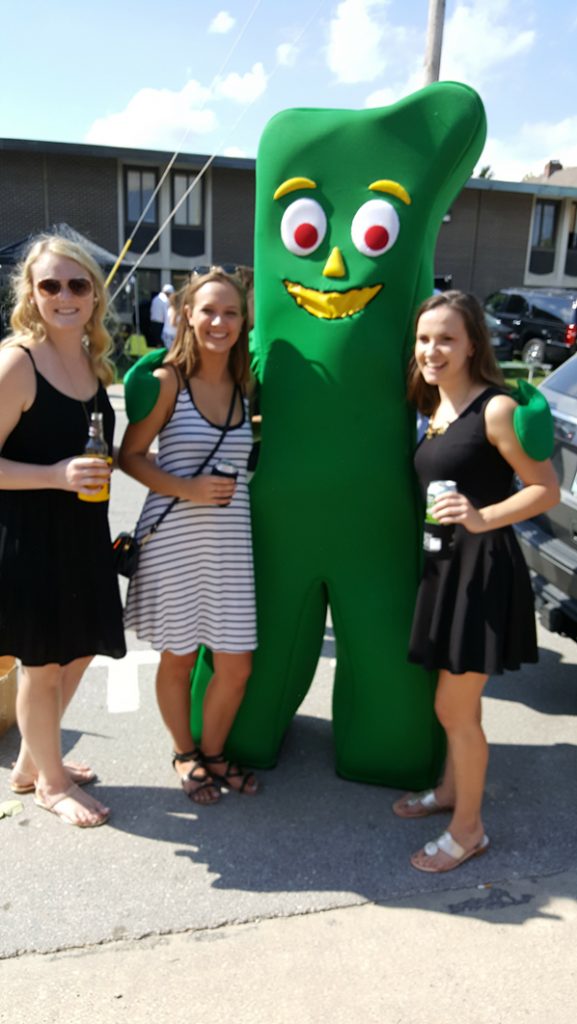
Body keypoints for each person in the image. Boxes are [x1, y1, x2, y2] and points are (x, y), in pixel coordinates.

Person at [393, 290, 559, 872]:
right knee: (454, 704)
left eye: (446, 339)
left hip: (482, 572)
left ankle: (469, 831)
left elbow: (546, 488)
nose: (432, 350)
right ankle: (448, 791)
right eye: (424, 339)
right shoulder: (433, 406)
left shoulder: (495, 409)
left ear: (472, 345)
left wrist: (483, 516)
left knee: (454, 710)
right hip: (445, 567)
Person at [0, 234, 126, 827]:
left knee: (77, 652)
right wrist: (53, 474)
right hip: (31, 535)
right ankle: (50, 783)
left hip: (82, 532)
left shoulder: (93, 362)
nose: (64, 295)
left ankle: (31, 762)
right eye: (50, 285)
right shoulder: (17, 360)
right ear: (31, 292)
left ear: (95, 295)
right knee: (41, 664)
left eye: (78, 284)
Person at [119, 268, 258, 804]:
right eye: (208, 311)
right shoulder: (166, 381)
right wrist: (189, 488)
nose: (219, 321)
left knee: (236, 663)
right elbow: (127, 456)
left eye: (230, 312)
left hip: (229, 547)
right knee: (178, 657)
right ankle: (186, 753)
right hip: (176, 540)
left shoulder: (245, 385)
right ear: (186, 315)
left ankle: (215, 751)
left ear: (244, 321)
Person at [149, 283, 174, 347]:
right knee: (163, 344)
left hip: (153, 324)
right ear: (169, 293)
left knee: (157, 343)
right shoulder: (165, 301)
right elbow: (167, 316)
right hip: (161, 325)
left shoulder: (155, 299)